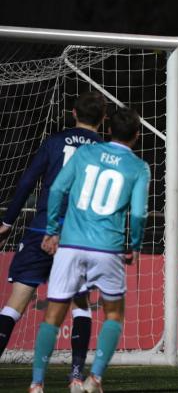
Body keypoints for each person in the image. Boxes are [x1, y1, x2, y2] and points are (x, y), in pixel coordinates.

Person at [28, 108, 150, 393]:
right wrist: (134, 246)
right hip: (108, 249)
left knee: (53, 316)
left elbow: (57, 190)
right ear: (136, 135)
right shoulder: (138, 167)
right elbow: (141, 213)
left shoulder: (85, 154)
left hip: (70, 245)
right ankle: (93, 378)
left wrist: (51, 232)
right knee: (114, 315)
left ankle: (36, 384)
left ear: (109, 130)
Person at [0, 92, 106, 389]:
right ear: (103, 118)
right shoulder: (106, 151)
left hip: (40, 233)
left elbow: (26, 181)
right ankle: (75, 377)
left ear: (74, 113)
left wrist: (7, 221)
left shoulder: (55, 141)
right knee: (80, 305)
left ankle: (40, 382)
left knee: (14, 305)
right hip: (79, 239)